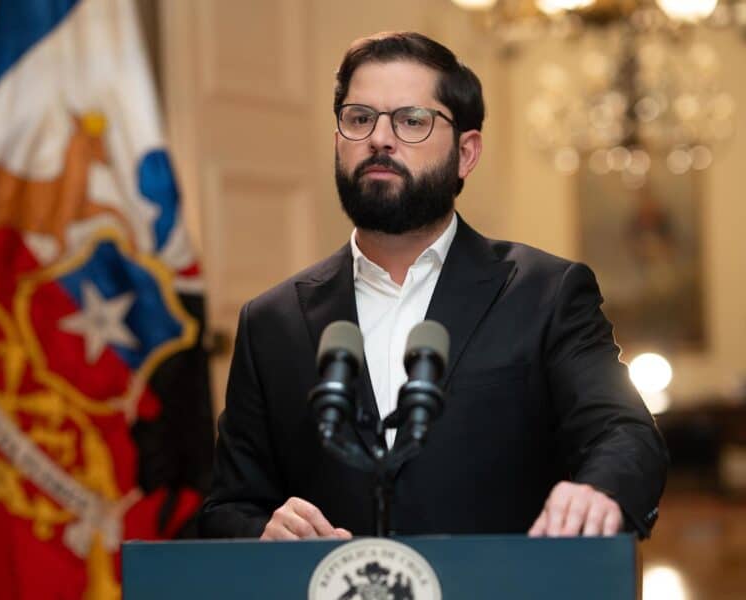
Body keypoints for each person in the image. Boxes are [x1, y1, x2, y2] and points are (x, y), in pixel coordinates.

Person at [198, 31, 668, 541]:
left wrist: (597, 492)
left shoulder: (546, 294)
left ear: (466, 153)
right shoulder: (271, 321)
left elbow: (625, 434)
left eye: (411, 121)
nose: (380, 138)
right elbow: (229, 506)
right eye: (359, 119)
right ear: (338, 141)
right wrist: (263, 530)